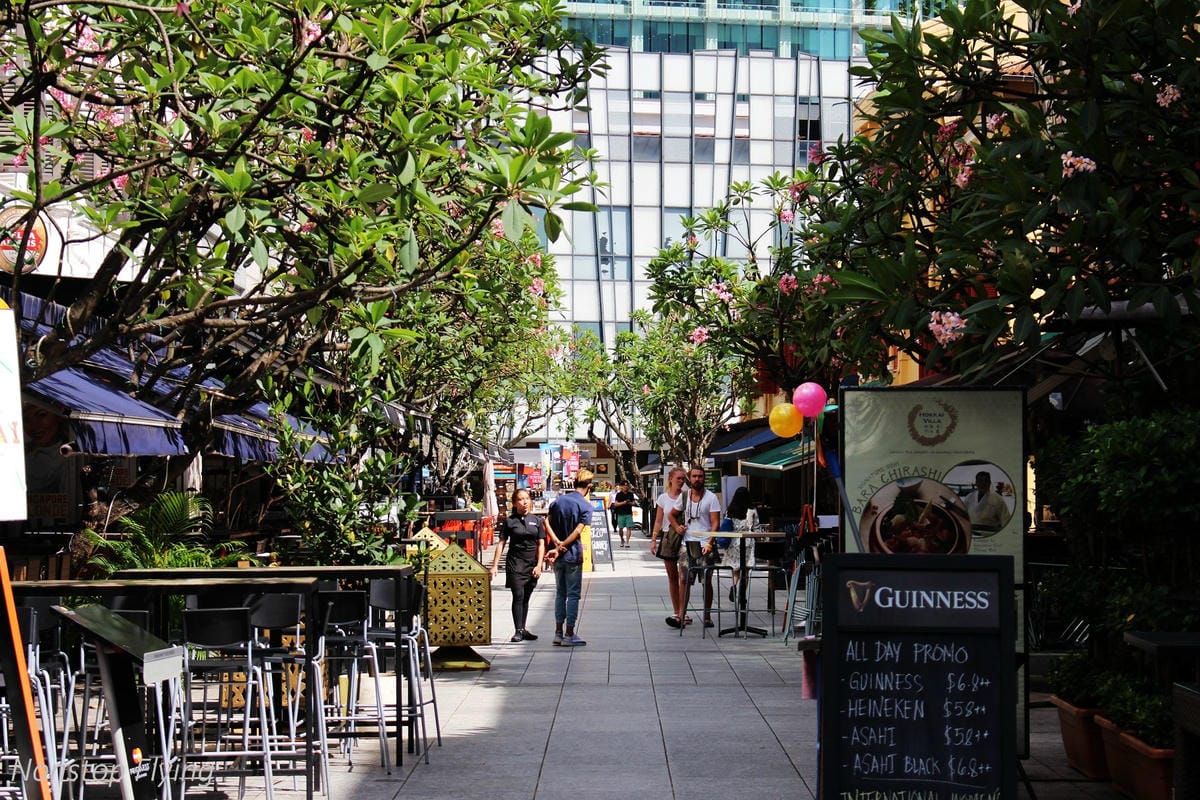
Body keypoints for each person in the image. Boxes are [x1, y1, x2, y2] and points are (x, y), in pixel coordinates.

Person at [490, 488, 547, 642]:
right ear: (515, 503)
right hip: (515, 563)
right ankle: (518, 630)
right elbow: (501, 543)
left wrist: (539, 564)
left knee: (526, 597)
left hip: (531, 564)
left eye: (527, 498)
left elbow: (541, 544)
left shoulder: (536, 521)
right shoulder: (510, 521)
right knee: (518, 595)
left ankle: (523, 628)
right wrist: (495, 566)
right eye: (521, 499)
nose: (525, 502)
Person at [669, 465, 722, 629]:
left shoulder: (711, 498)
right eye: (694, 476)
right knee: (684, 579)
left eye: (700, 476)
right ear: (689, 479)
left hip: (705, 543)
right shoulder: (684, 496)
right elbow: (670, 514)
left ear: (704, 478)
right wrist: (677, 527)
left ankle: (707, 616)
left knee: (706, 580)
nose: (697, 479)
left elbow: (715, 523)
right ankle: (681, 615)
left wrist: (710, 543)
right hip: (687, 543)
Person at [546, 469, 593, 646]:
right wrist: (564, 544)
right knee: (573, 595)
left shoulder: (558, 501)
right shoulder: (585, 505)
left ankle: (558, 632)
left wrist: (557, 543)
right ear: (588, 486)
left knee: (560, 593)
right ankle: (569, 633)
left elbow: (546, 522)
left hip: (557, 555)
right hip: (573, 554)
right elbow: (578, 530)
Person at [651, 467, 688, 628]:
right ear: (671, 479)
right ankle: (676, 610)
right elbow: (659, 520)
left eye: (683, 478)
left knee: (683, 577)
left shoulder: (688, 497)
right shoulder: (663, 498)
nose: (681, 481)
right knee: (672, 576)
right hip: (668, 537)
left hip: (685, 537)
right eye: (678, 478)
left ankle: (682, 612)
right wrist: (654, 539)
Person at [720, 486, 760, 602]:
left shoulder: (730, 510)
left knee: (736, 569)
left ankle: (734, 586)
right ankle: (743, 593)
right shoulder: (752, 510)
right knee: (745, 570)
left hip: (734, 541)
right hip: (748, 541)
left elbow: (727, 525)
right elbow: (756, 527)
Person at [611, 480, 636, 548]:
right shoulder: (619, 494)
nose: (626, 487)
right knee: (620, 528)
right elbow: (616, 504)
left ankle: (627, 542)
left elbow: (634, 503)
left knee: (629, 528)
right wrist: (624, 502)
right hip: (620, 514)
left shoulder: (630, 494)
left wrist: (629, 503)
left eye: (627, 485)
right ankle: (622, 539)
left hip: (629, 514)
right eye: (624, 485)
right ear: (621, 487)